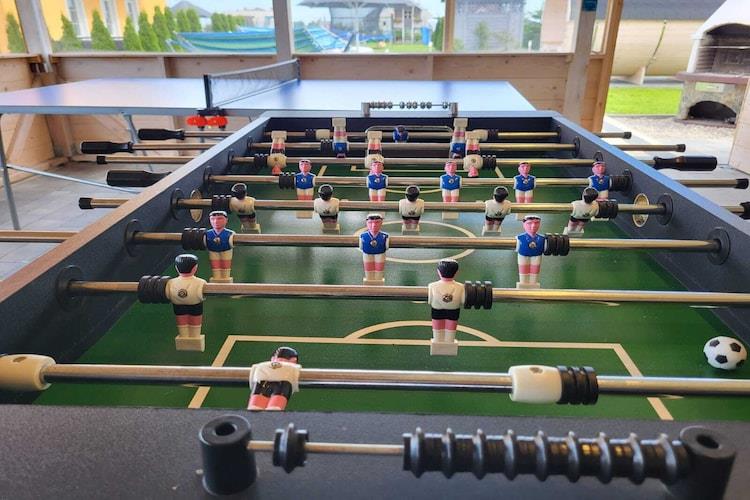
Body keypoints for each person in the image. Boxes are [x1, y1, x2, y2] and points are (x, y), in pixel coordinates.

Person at [166, 253, 206, 352]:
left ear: (176, 268)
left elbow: (167, 294)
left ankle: (183, 336)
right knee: (195, 322)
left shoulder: (171, 282)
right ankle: (195, 337)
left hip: (178, 306)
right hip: (195, 305)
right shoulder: (200, 282)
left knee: (182, 322)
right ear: (195, 268)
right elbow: (203, 295)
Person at [427, 259, 465, 356]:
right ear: (456, 273)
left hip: (437, 310)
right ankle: (449, 343)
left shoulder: (432, 286)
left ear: (438, 272)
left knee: (437, 329)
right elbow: (463, 300)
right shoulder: (461, 287)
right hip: (453, 311)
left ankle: (437, 343)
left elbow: (430, 300)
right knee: (450, 329)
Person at [247, 346, 301, 411]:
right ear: (294, 360)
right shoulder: (290, 368)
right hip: (280, 383)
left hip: (266, 380)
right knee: (274, 407)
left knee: (256, 406)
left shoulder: (261, 366)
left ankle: (258, 405)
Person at [516, 214, 546, 288]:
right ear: (524, 224)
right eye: (529, 223)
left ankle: (533, 285)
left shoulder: (542, 238)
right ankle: (523, 285)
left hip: (537, 257)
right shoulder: (519, 238)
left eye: (536, 223)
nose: (533, 226)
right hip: (523, 257)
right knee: (523, 273)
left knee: (534, 274)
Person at [205, 210, 235, 283]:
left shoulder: (230, 233)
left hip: (226, 251)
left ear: (226, 220)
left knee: (225, 266)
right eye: (213, 219)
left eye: (219, 219)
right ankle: (216, 278)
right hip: (213, 251)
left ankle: (226, 278)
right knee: (215, 266)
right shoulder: (207, 234)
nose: (216, 221)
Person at [359, 213, 389, 284]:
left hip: (380, 255)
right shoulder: (363, 236)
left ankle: (378, 281)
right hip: (367, 255)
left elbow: (386, 247)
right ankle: (369, 281)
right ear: (367, 223)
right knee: (368, 271)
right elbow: (361, 247)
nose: (374, 225)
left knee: (379, 271)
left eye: (377, 222)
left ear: (381, 223)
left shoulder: (385, 236)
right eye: (370, 223)